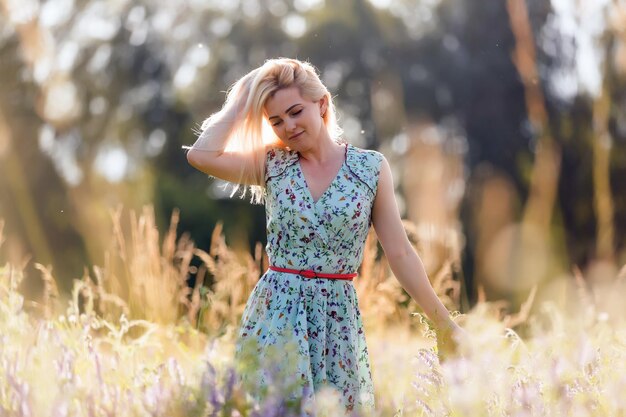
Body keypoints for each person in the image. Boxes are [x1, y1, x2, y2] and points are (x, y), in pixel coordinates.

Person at [184, 58, 464, 414]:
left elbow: (401, 254)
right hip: (276, 315)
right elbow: (200, 154)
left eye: (295, 111)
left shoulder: (370, 169)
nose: (288, 126)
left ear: (322, 104)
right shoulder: (272, 164)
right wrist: (243, 99)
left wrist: (443, 322)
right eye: (276, 120)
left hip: (337, 322)